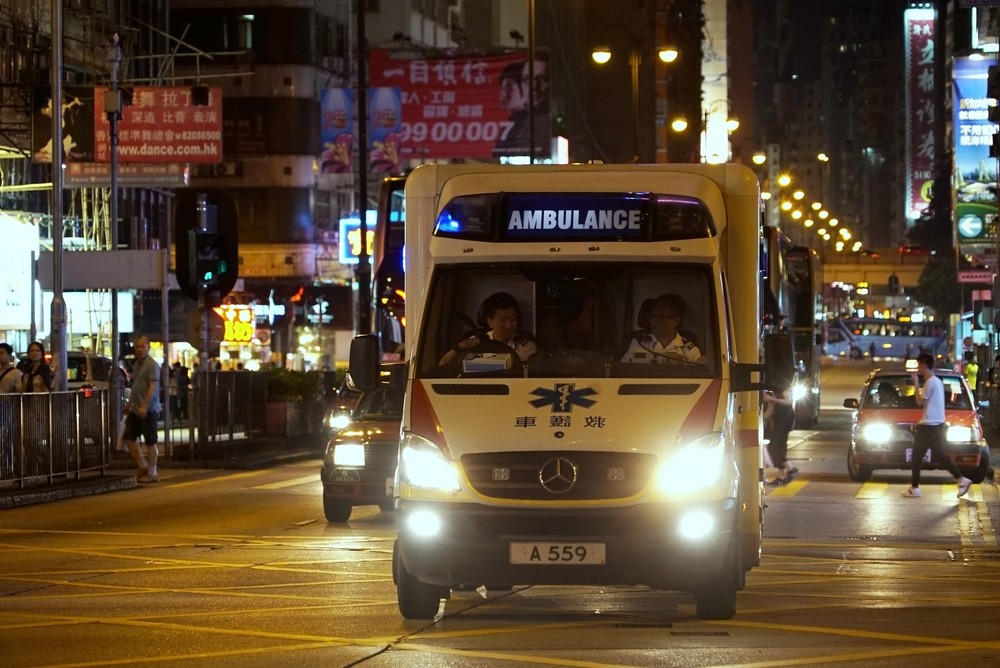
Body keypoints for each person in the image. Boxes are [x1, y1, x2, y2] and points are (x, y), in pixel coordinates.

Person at [902, 352, 973, 498]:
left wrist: (915, 383)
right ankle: (961, 479)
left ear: (923, 364)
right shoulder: (936, 382)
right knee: (940, 455)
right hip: (936, 424)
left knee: (917, 456)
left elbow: (919, 402)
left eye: (919, 366)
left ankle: (915, 488)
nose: (918, 370)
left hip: (929, 425)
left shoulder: (930, 382)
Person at [440, 291, 538, 365]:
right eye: (503, 320)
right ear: (490, 322)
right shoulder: (476, 341)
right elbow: (442, 366)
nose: (509, 325)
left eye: (513, 319)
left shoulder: (526, 345)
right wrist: (458, 348)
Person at [121, 335, 162, 483]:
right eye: (137, 347)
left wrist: (144, 405)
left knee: (150, 441)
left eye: (142, 346)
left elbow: (152, 387)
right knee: (128, 437)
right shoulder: (137, 365)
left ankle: (152, 472)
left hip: (149, 409)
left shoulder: (152, 365)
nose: (140, 349)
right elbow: (136, 386)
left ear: (148, 347)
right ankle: (142, 465)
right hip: (136, 409)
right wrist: (129, 404)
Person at [621, 293, 704, 364]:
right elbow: (624, 367)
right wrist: (665, 358)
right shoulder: (639, 341)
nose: (653, 321)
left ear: (675, 321)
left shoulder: (689, 350)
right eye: (652, 315)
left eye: (660, 317)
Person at [763, 387, 797, 486]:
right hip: (777, 422)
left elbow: (788, 401)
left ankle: (791, 469)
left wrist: (771, 400)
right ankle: (781, 477)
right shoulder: (772, 388)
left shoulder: (783, 387)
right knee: (778, 447)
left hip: (784, 421)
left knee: (774, 447)